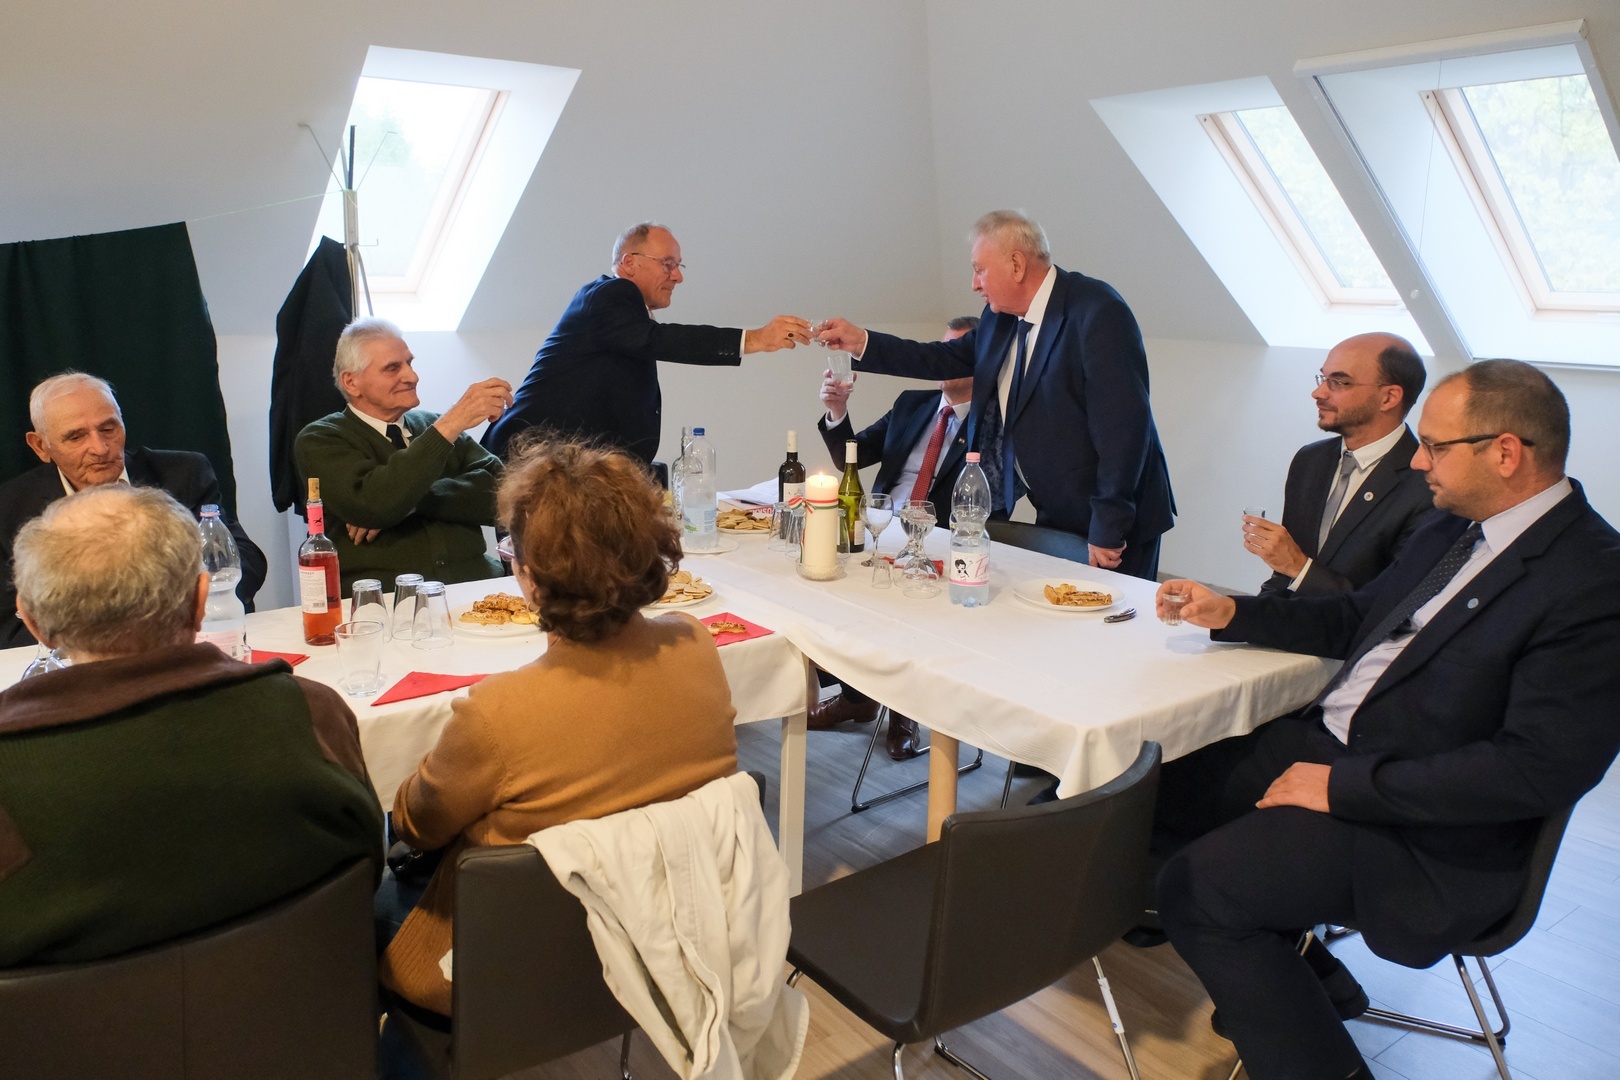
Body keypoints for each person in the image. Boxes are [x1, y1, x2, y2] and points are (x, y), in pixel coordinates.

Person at [1150, 359, 1620, 1080]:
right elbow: (1355, 618)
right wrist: (1233, 613)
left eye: (1434, 446)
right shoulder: (1453, 529)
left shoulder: (1593, 579)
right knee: (1149, 790)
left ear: (1505, 453)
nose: (1418, 461)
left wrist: (1342, 788)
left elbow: (1538, 769)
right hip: (1336, 749)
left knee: (1200, 889)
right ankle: (1312, 979)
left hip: (1427, 825)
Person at [377, 440, 741, 1018]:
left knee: (359, 887)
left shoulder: (497, 711)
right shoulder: (695, 644)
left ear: (528, 578)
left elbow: (415, 825)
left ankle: (402, 1049)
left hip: (522, 960)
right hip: (667, 937)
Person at [0, 485, 384, 968]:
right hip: (309, 1000)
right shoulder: (312, 712)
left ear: (33, 623)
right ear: (202, 599)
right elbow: (368, 864)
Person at [815, 210, 1175, 579]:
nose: (974, 284)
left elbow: (1124, 430)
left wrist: (1109, 525)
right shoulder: (999, 318)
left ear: (1016, 264)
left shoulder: (1097, 311)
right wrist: (862, 342)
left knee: (1120, 611)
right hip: (1056, 507)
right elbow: (939, 358)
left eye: (980, 270)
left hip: (1113, 514)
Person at [481, 222, 811, 468]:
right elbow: (659, 339)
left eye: (678, 266)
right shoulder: (612, 293)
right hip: (532, 460)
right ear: (629, 263)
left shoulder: (623, 314)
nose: (677, 276)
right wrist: (754, 339)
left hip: (563, 465)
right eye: (667, 264)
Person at [809, 316, 983, 758]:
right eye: (942, 349)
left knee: (904, 609)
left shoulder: (991, 419)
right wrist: (837, 412)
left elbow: (995, 494)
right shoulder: (912, 403)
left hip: (940, 541)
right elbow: (854, 455)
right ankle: (858, 697)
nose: (944, 359)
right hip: (882, 530)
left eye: (955, 351)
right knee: (831, 590)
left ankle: (906, 708)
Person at [0, 372, 267, 648]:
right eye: (76, 437)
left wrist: (163, 621)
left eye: (108, 429)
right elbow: (8, 623)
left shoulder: (183, 474)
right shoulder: (10, 507)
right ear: (41, 446)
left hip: (181, 643)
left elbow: (244, 560)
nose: (100, 448)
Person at [295, 317, 510, 591]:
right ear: (351, 382)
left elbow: (506, 495)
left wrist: (415, 502)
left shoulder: (432, 424)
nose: (412, 376)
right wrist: (451, 423)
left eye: (409, 363)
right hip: (388, 600)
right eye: (392, 368)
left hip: (479, 588)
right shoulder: (320, 438)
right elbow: (374, 505)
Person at [1245, 333, 1433, 597]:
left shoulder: (1428, 484)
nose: (1318, 393)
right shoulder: (1310, 460)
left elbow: (1392, 603)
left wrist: (1300, 568)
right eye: (1323, 378)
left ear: (1389, 398)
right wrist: (1233, 611)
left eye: (1339, 382)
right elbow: (1284, 577)